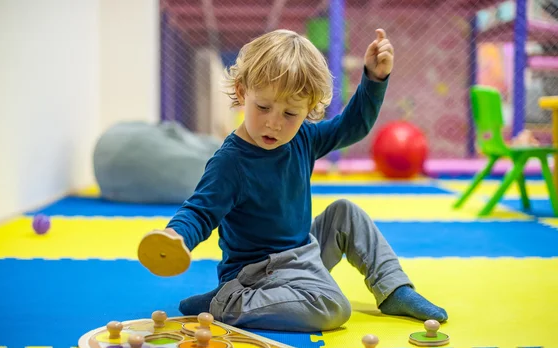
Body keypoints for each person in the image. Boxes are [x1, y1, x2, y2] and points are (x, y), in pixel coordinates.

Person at [138, 29, 447, 332]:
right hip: (258, 273)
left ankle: (394, 290)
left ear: (308, 111)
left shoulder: (303, 137)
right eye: (263, 107)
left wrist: (374, 79)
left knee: (345, 212)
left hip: (304, 252)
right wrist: (176, 237)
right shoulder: (231, 161)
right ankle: (228, 301)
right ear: (243, 92)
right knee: (333, 307)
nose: (274, 122)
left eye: (290, 113)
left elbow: (350, 128)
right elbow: (199, 212)